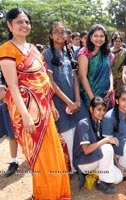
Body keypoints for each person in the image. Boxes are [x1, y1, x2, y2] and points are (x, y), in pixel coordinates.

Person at [0, 8, 71, 199]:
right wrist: (26, 116)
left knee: (53, 154)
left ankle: (55, 193)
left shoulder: (33, 49)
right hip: (27, 113)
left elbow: (44, 80)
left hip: (45, 109)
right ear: (9, 25)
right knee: (40, 158)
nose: (24, 25)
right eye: (19, 22)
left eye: (27, 22)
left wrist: (53, 105)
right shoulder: (7, 49)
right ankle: (44, 195)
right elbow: (13, 85)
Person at [43, 22, 88, 172]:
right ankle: (74, 169)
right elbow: (51, 82)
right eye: (56, 32)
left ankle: (84, 164)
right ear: (50, 35)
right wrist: (68, 102)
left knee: (81, 131)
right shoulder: (46, 55)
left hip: (75, 100)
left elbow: (75, 77)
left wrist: (76, 100)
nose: (60, 35)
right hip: (61, 103)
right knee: (68, 136)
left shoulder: (70, 53)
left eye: (63, 32)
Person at [73, 96, 123, 194]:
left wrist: (118, 165)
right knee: (107, 147)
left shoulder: (98, 123)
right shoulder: (83, 124)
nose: (102, 113)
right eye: (99, 109)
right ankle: (101, 182)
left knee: (118, 178)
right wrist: (106, 140)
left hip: (94, 159)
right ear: (91, 109)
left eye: (104, 110)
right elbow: (86, 150)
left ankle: (98, 175)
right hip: (83, 162)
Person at [78, 24, 114, 109]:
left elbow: (109, 71)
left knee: (107, 120)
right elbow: (83, 77)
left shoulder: (106, 52)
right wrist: (93, 100)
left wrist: (111, 88)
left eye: (101, 36)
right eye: (96, 36)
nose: (99, 39)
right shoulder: (85, 52)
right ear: (90, 37)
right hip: (90, 95)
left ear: (105, 38)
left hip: (107, 95)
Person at [0, 67, 19, 177]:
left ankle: (15, 160)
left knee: (15, 134)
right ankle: (14, 161)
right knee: (11, 134)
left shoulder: (4, 64)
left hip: (14, 103)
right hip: (6, 105)